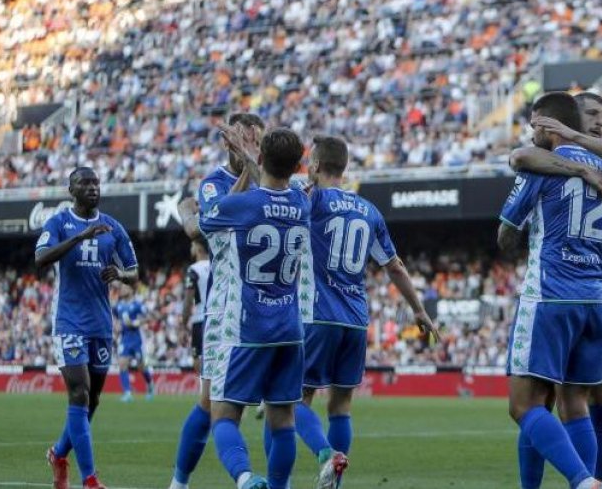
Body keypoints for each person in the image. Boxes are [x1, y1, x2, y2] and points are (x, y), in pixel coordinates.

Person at [510, 91, 602, 485]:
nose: (600, 122)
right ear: (571, 115)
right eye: (592, 114)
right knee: (553, 399)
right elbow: (521, 156)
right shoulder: (569, 164)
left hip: (593, 297)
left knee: (592, 399)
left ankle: (595, 481)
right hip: (584, 296)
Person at [295, 136, 438, 489]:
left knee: (296, 400)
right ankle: (334, 483)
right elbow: (395, 267)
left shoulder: (312, 199)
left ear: (314, 166)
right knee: (341, 406)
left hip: (318, 315)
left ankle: (326, 455)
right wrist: (418, 309)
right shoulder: (369, 210)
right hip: (356, 320)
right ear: (345, 168)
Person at [497, 92, 602, 489]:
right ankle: (590, 482)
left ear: (549, 125)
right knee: (573, 404)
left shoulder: (540, 169)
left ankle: (584, 481)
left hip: (549, 294)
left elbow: (505, 236)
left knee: (525, 406)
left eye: (535, 124)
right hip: (594, 300)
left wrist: (527, 231)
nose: (531, 132)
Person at [201, 127, 310, 489]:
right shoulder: (301, 202)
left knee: (224, 416)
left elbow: (208, 222)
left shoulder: (240, 205)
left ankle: (246, 477)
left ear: (261, 159)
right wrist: (255, 158)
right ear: (297, 166)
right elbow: (275, 185)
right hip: (290, 330)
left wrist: (247, 164)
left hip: (248, 328)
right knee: (283, 422)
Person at [169, 113, 265, 489]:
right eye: (245, 140)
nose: (252, 147)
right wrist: (252, 167)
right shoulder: (215, 183)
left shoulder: (273, 178)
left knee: (281, 408)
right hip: (228, 307)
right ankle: (180, 482)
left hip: (272, 304)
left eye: (257, 140)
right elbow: (208, 223)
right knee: (210, 402)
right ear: (229, 143)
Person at [37, 167, 139, 489]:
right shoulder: (58, 223)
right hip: (68, 320)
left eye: (96, 182)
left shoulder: (114, 227)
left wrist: (121, 275)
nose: (93, 187)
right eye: (85, 183)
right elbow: (41, 257)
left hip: (100, 323)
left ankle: (58, 452)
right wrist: (78, 237)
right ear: (71, 189)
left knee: (92, 399)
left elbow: (134, 270)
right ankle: (90, 479)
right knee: (78, 393)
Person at [113, 284, 154, 402]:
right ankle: (127, 393)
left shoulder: (137, 305)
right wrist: (116, 325)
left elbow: (149, 316)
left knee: (141, 366)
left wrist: (136, 322)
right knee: (122, 363)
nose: (121, 289)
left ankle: (150, 385)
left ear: (131, 290)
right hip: (125, 338)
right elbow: (115, 317)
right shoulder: (118, 306)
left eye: (124, 287)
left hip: (137, 339)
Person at [182, 238, 211, 377]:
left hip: (200, 318)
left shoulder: (193, 269)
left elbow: (188, 301)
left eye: (193, 245)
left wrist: (182, 326)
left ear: (199, 248)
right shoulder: (216, 265)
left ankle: (205, 394)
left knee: (197, 358)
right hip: (217, 316)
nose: (191, 247)